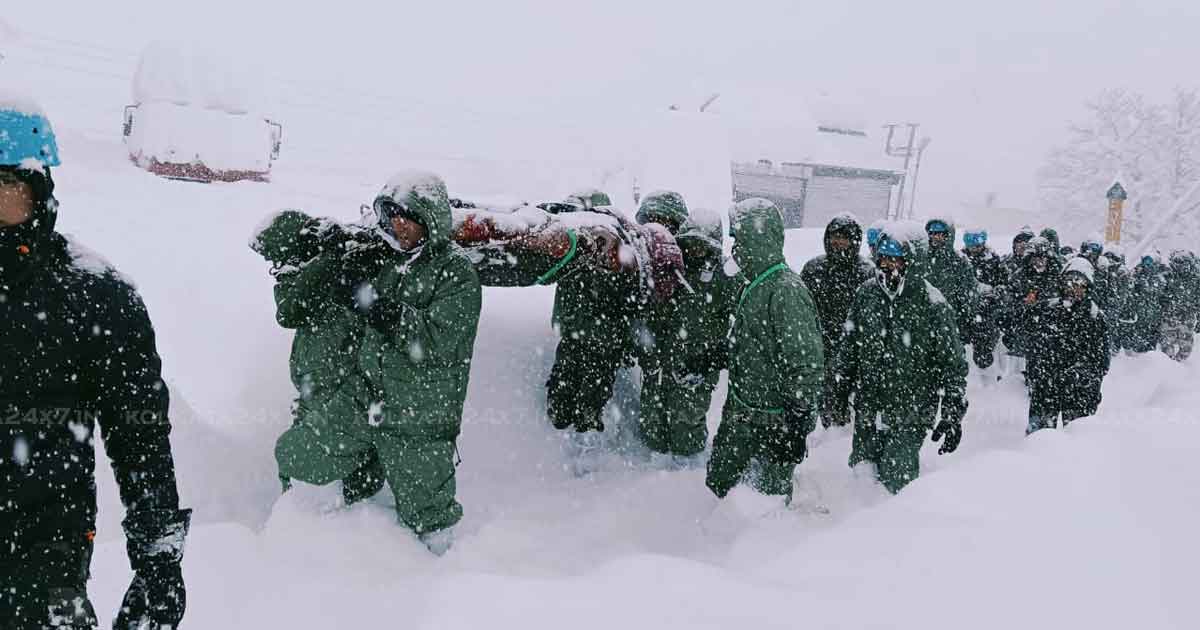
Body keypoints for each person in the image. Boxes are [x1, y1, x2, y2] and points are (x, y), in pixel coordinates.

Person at [0, 99, 191, 629]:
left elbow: (140, 434)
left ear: (38, 190)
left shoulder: (95, 295)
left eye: (2, 186)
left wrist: (158, 559)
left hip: (42, 553)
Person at [268, 172, 482, 555]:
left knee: (430, 521)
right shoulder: (382, 257)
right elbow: (300, 307)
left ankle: (445, 589)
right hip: (364, 399)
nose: (398, 225)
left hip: (420, 413)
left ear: (429, 219)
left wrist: (372, 304)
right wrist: (335, 261)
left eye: (408, 216)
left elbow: (435, 340)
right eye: (391, 215)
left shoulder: (456, 272)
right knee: (298, 454)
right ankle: (304, 533)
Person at [705, 198, 824, 502]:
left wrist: (795, 426)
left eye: (740, 239)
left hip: (773, 423)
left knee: (762, 508)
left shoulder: (785, 290)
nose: (735, 249)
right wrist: (716, 355)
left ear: (759, 238)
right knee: (721, 489)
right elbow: (752, 342)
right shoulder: (754, 284)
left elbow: (806, 364)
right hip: (741, 416)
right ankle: (711, 547)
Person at [832, 232, 969, 493]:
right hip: (869, 405)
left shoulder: (931, 302)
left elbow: (952, 362)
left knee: (896, 478)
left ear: (912, 262)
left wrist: (953, 412)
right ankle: (855, 530)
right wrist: (840, 387)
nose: (888, 266)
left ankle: (897, 528)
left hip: (912, 408)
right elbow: (849, 346)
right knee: (862, 473)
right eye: (883, 258)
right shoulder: (866, 294)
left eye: (897, 260)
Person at [635, 191, 735, 460]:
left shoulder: (725, 277)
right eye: (690, 244)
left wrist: (717, 354)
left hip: (696, 367)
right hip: (660, 361)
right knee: (651, 418)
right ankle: (649, 469)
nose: (695, 251)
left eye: (702, 245)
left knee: (686, 421)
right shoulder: (670, 268)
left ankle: (685, 472)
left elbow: (743, 322)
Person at [545, 190, 642, 434]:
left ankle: (586, 449)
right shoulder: (581, 246)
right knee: (575, 397)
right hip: (589, 336)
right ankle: (577, 435)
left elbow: (626, 297)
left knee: (581, 400)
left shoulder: (613, 250)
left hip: (594, 337)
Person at [801, 214, 874, 427]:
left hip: (850, 348)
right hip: (816, 345)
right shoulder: (814, 268)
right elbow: (802, 308)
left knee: (840, 406)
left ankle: (834, 441)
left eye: (845, 237)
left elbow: (871, 316)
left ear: (855, 241)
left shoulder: (866, 272)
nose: (839, 242)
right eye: (835, 236)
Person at [1025, 259, 1110, 433]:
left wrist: (1084, 378)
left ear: (1088, 287)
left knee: (1079, 440)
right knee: (1039, 439)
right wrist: (1037, 372)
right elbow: (1033, 343)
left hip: (1079, 391)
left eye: (1079, 284)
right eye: (1069, 282)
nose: (1073, 288)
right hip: (1046, 388)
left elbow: (1101, 362)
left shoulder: (1095, 317)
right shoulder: (1048, 310)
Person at [923, 218, 980, 358]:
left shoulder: (959, 261)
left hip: (950, 321)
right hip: (923, 319)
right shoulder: (921, 257)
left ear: (948, 235)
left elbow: (968, 294)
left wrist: (967, 320)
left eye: (940, 233)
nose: (936, 237)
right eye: (932, 233)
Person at [999, 236, 1063, 360]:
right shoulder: (1019, 277)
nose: (1039, 262)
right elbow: (1008, 303)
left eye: (1042, 258)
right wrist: (1023, 304)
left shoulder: (1057, 277)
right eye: (1035, 258)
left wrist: (1044, 303)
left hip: (1051, 332)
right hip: (1024, 331)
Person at [960, 227, 1006, 368]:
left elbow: (1003, 283)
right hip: (965, 308)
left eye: (978, 242)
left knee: (985, 336)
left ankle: (986, 369)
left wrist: (995, 293)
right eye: (970, 242)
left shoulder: (993, 261)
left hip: (987, 309)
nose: (974, 247)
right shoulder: (960, 259)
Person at [1122, 253, 1167, 354]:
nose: (1147, 265)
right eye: (1145, 262)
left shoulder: (1160, 278)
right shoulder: (1136, 274)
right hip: (1138, 315)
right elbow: (1128, 290)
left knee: (1151, 345)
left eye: (1150, 262)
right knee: (1136, 343)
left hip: (1153, 316)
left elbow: (1163, 295)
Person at [1159, 249, 1200, 361]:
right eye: (1177, 262)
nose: (1180, 265)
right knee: (1166, 345)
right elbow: (1159, 294)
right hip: (1170, 315)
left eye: (1183, 262)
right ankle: (1168, 366)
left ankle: (1180, 367)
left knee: (1186, 347)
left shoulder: (1195, 279)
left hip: (1187, 317)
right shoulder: (1167, 276)